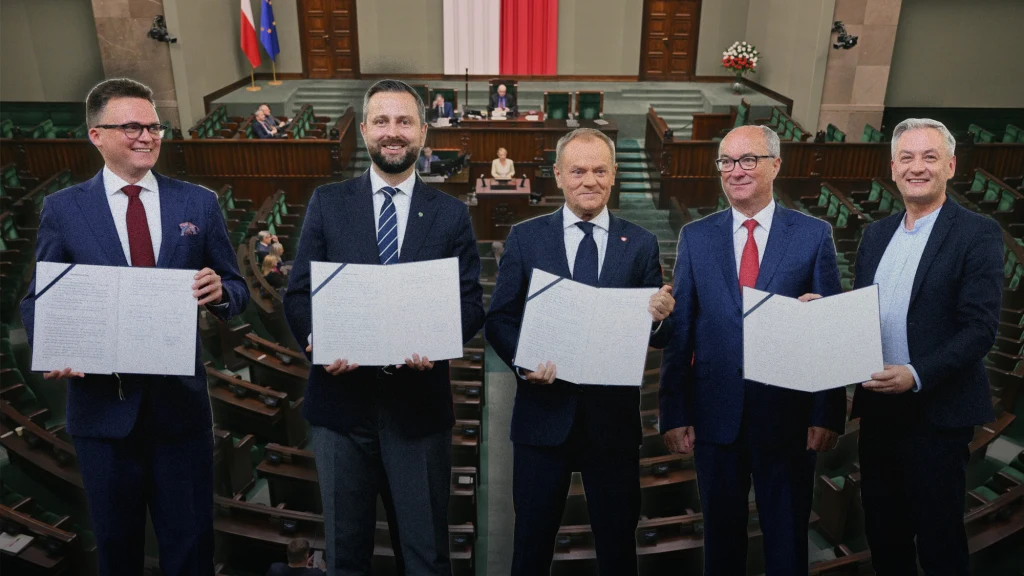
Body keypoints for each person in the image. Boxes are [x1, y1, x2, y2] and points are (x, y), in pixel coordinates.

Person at [19, 77, 249, 576]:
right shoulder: (64, 209)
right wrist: (52, 347)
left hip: (180, 411)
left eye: (153, 126)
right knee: (117, 546)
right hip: (102, 414)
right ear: (96, 134)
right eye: (132, 127)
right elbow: (40, 297)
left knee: (190, 545)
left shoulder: (198, 203)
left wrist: (222, 293)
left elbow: (236, 287)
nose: (147, 136)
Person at [283, 79, 485, 575]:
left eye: (403, 121)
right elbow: (298, 294)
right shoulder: (328, 203)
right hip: (340, 405)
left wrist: (439, 343)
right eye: (381, 121)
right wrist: (317, 340)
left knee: (424, 553)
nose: (392, 132)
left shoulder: (451, 214)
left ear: (422, 131)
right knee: (346, 554)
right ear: (366, 131)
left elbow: (470, 304)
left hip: (416, 406)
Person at [485, 128, 675, 575]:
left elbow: (660, 336)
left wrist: (663, 315)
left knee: (617, 546)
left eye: (599, 170)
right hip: (542, 418)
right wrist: (524, 360)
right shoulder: (526, 238)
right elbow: (499, 320)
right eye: (577, 170)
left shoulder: (641, 243)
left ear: (613, 177)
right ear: (557, 175)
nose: (589, 180)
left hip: (612, 424)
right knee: (531, 545)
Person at [659, 124, 845, 575]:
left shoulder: (812, 235)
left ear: (775, 164)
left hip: (788, 417)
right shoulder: (696, 237)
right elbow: (681, 331)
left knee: (786, 537)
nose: (735, 171)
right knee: (721, 540)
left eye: (748, 160)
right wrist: (674, 412)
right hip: (714, 415)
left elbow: (829, 329)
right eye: (726, 161)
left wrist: (826, 412)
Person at [851, 119, 1003, 576]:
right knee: (884, 534)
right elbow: (863, 314)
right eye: (907, 158)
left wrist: (916, 374)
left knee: (939, 540)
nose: (918, 167)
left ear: (951, 166)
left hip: (937, 413)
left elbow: (980, 330)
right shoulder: (875, 235)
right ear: (893, 169)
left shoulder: (978, 233)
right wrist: (827, 314)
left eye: (930, 157)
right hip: (879, 411)